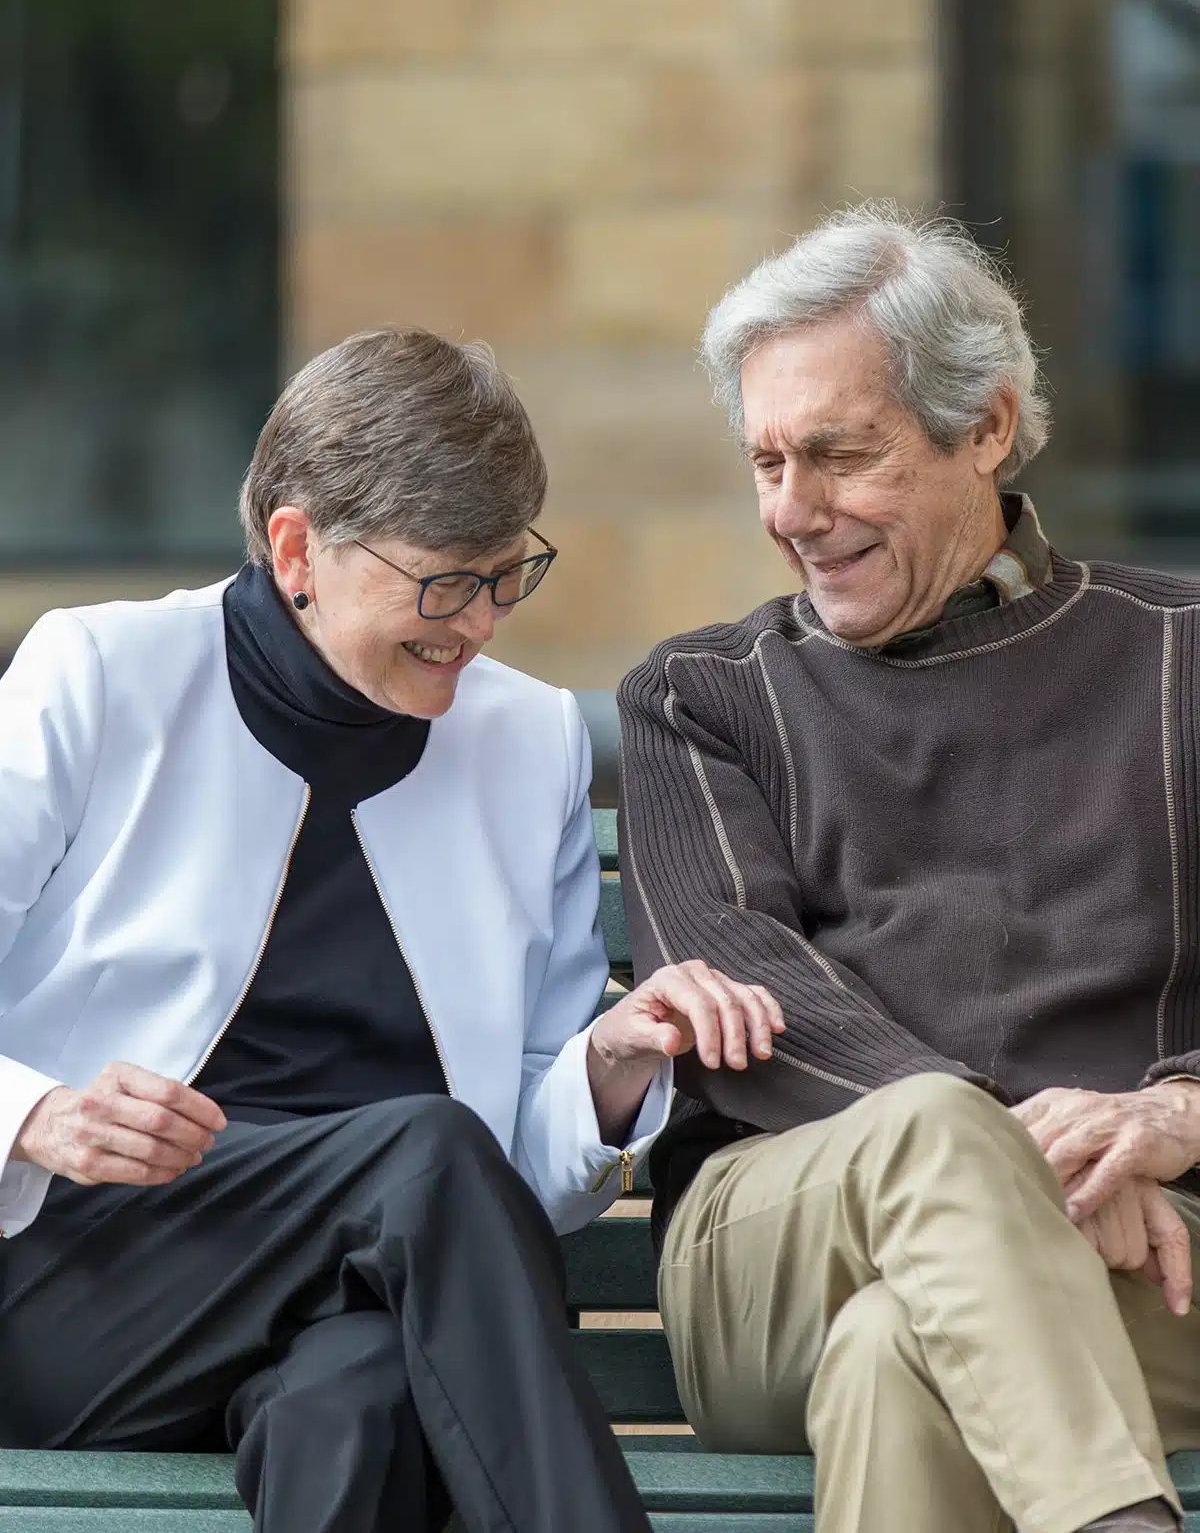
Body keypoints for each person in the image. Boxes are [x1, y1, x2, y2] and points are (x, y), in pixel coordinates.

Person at [0, 328, 782, 1533]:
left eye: (506, 574)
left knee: (359, 1404)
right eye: (440, 581)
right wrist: (40, 1115)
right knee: (421, 1151)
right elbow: (451, 1164)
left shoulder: (528, 743)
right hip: (91, 1282)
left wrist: (614, 1059)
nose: (477, 623)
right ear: (298, 546)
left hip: (380, 1293)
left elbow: (524, 1156)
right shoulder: (99, 674)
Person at [617, 203, 1200, 1533]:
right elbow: (747, 999)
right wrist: (1010, 1165)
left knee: (900, 1355)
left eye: (838, 456)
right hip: (777, 1248)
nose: (793, 511)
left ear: (985, 427)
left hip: (1147, 1249)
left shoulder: (1185, 659)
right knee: (936, 1141)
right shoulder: (704, 698)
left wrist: (1174, 1121)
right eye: (766, 462)